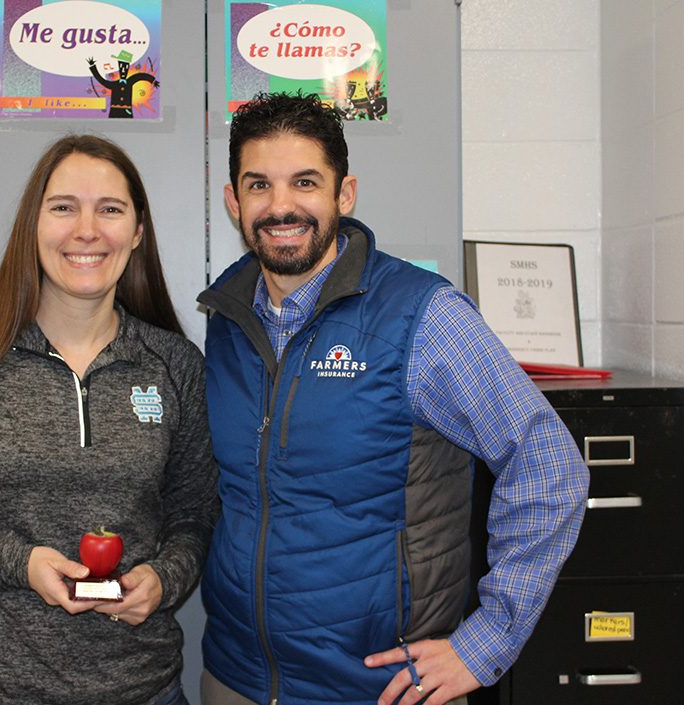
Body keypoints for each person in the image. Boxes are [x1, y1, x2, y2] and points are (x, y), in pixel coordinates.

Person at [197, 92, 588, 705]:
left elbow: (548, 464)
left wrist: (484, 643)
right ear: (233, 202)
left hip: (381, 688)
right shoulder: (225, 321)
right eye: (258, 185)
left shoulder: (422, 316)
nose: (281, 206)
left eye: (305, 182)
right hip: (237, 678)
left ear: (343, 194)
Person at [0, 135, 219, 705]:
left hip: (143, 689)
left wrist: (165, 577)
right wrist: (17, 563)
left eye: (110, 209)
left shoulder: (174, 364)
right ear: (33, 225)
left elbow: (195, 513)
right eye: (63, 207)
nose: (87, 230)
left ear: (137, 232)